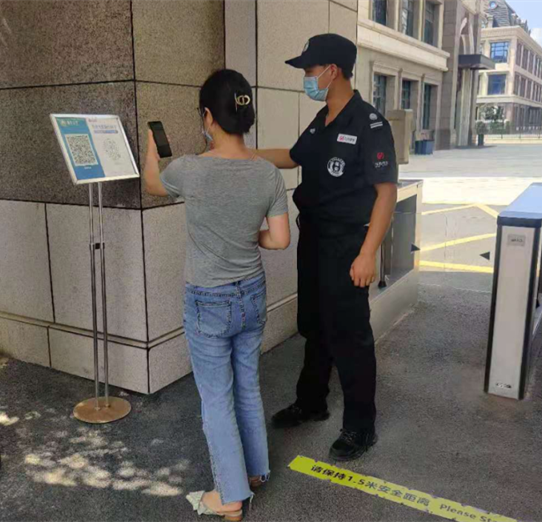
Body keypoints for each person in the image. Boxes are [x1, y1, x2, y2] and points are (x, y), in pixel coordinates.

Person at [144, 69, 291, 521]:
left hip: (208, 299)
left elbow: (152, 184)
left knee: (216, 397)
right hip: (252, 294)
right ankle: (255, 471)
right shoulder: (267, 173)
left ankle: (229, 496)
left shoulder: (189, 169)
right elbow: (279, 239)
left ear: (208, 116)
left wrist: (151, 147)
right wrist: (247, 236)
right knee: (246, 384)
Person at [254, 34, 398, 461]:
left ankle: (360, 426)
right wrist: (242, 153)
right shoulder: (322, 118)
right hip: (314, 239)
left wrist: (368, 253)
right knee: (314, 325)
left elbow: (386, 193)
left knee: (350, 336)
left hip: (347, 244)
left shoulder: (369, 124)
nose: (306, 76)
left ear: (332, 70)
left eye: (309, 69)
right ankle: (311, 401)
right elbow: (293, 156)